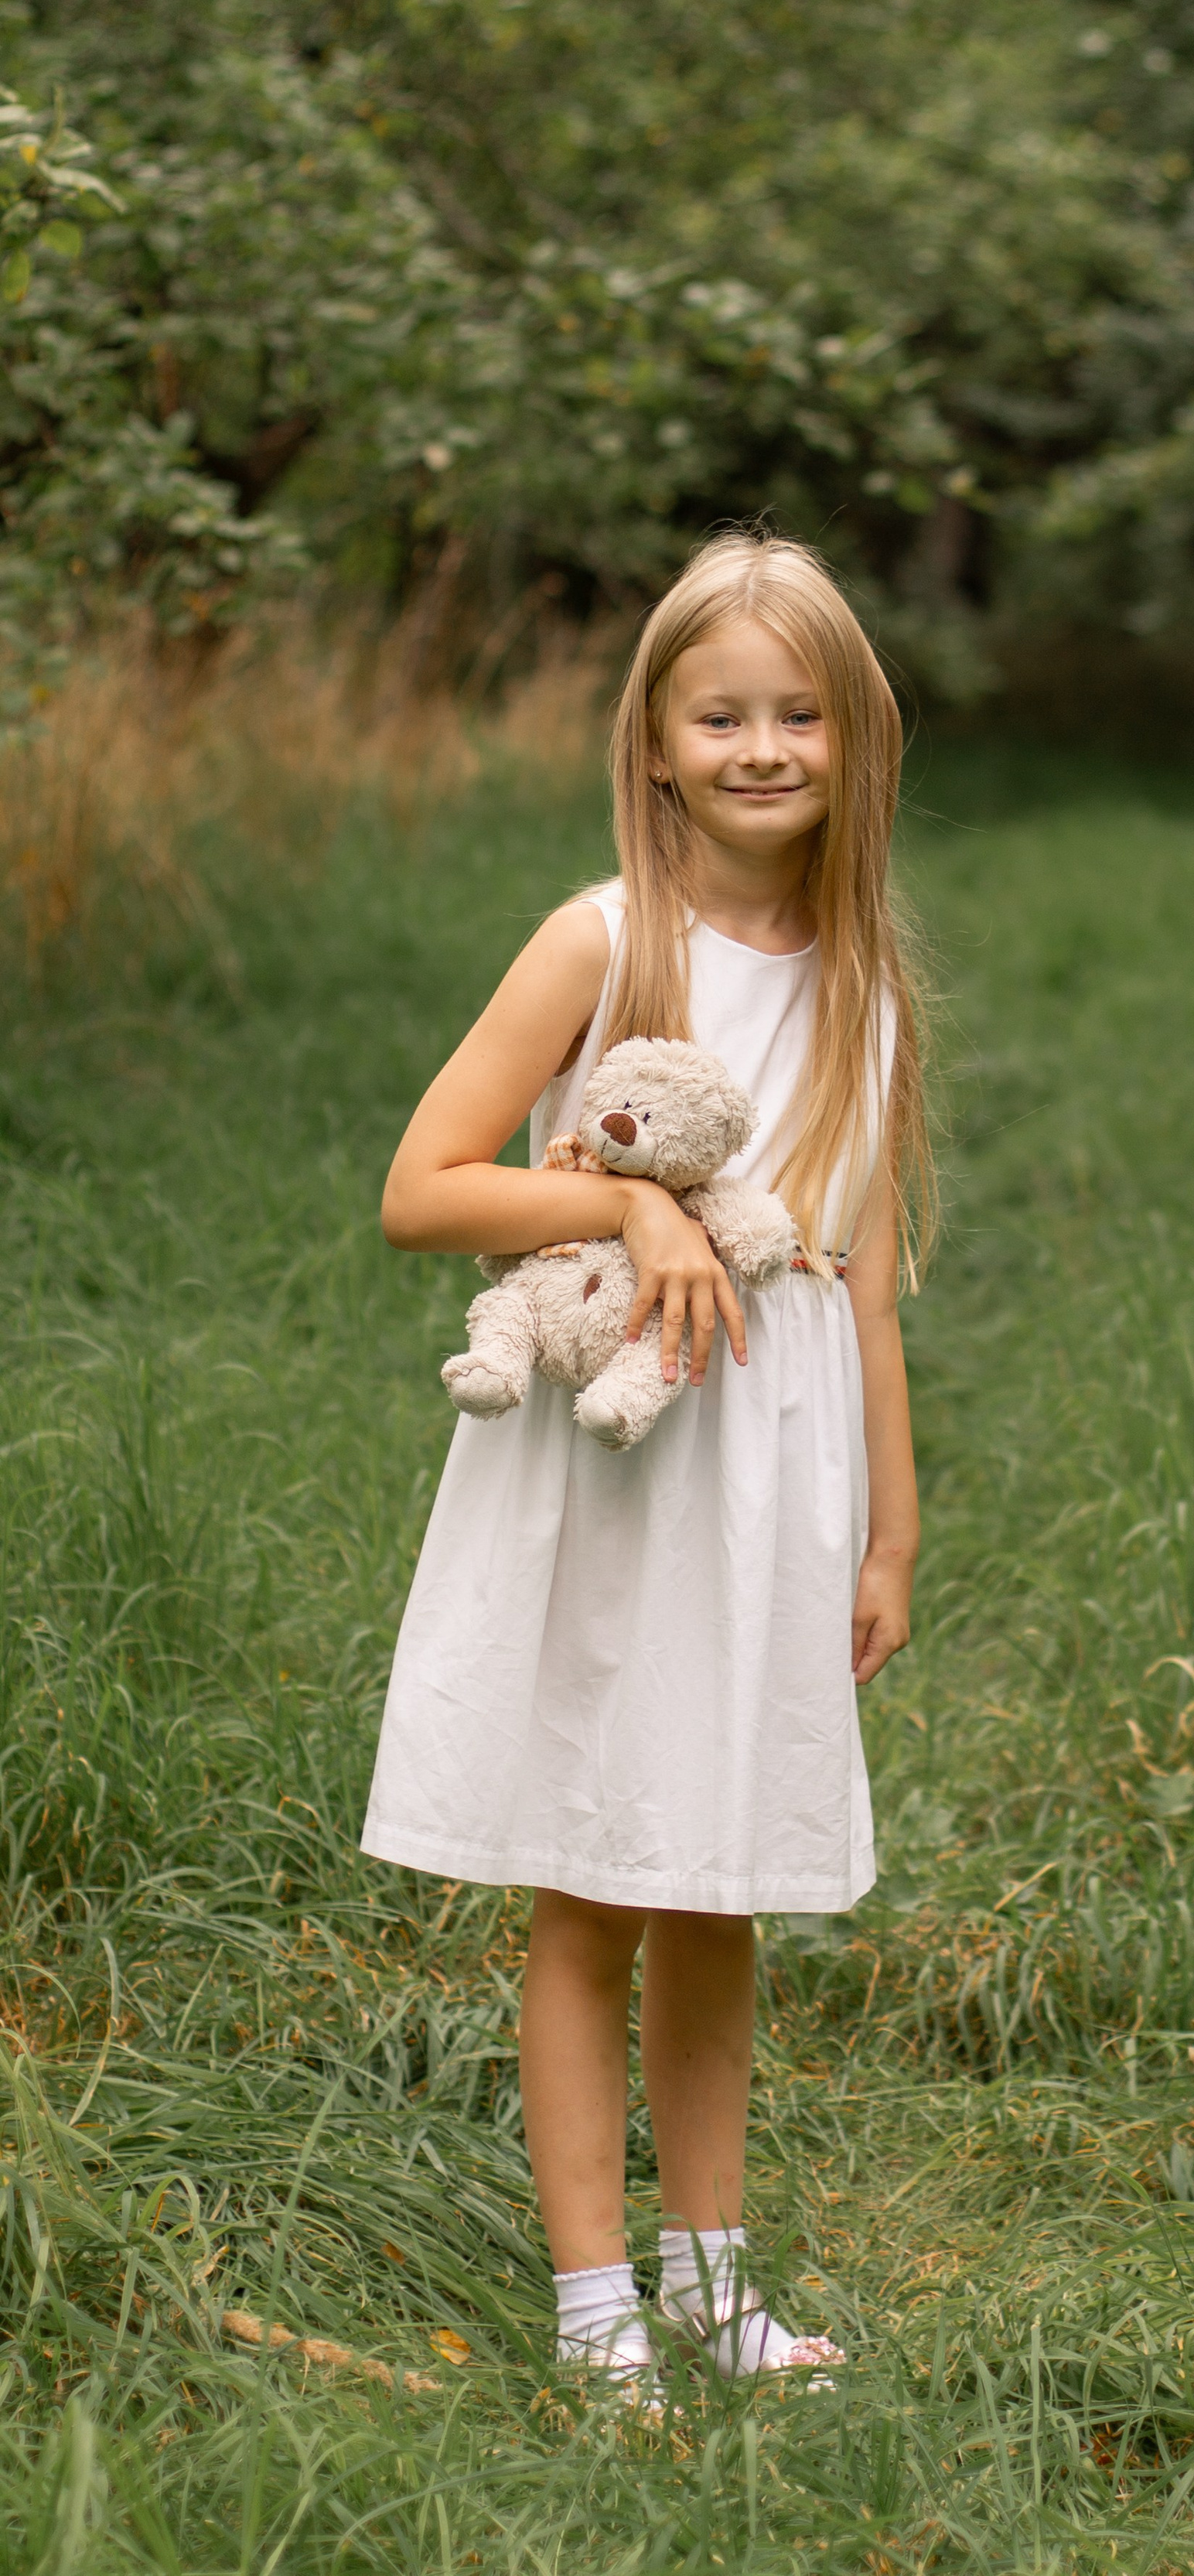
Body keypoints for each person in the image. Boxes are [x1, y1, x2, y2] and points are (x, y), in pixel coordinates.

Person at [363, 531, 932, 2385]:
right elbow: (422, 1188)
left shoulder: (863, 982)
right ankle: (594, 2308)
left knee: (718, 1875)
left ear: (853, 741)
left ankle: (712, 2280)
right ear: (660, 739)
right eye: (722, 714)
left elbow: (857, 1284)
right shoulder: (604, 937)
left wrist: (888, 1538)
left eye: (799, 715)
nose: (762, 746)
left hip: (775, 1474)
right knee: (599, 1872)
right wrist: (632, 1195)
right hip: (621, 1471)